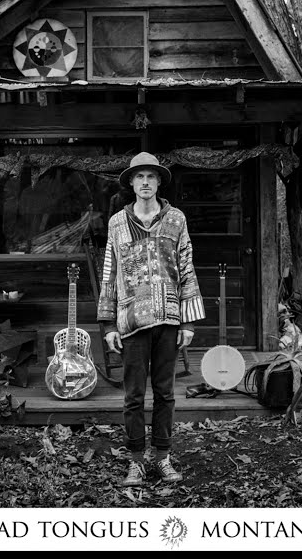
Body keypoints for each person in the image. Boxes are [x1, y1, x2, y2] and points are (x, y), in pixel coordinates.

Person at [98, 152, 204, 486]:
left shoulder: (176, 219)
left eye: (151, 176)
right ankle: (135, 462)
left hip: (168, 317)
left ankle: (162, 458)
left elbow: (186, 266)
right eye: (139, 177)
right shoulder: (117, 222)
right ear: (131, 183)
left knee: (165, 393)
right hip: (131, 321)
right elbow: (109, 272)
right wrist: (108, 324)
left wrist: (187, 321)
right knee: (133, 396)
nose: (145, 182)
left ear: (159, 182)